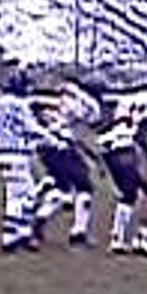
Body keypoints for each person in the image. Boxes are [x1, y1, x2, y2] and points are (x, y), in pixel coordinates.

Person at [97, 82, 147, 257]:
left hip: (107, 148)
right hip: (128, 146)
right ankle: (141, 238)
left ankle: (117, 239)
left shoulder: (129, 98)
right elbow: (141, 130)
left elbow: (109, 124)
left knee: (128, 194)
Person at [33, 78, 102, 247]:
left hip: (47, 147)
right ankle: (78, 233)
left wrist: (89, 154)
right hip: (60, 146)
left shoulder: (57, 98)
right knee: (84, 187)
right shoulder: (82, 103)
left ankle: (39, 219)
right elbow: (86, 123)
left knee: (62, 188)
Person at [0, 70, 55, 254]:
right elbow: (30, 127)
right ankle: (11, 235)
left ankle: (21, 233)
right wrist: (52, 139)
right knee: (28, 195)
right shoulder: (19, 104)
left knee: (15, 196)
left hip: (2, 153)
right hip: (16, 154)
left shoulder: (1, 104)